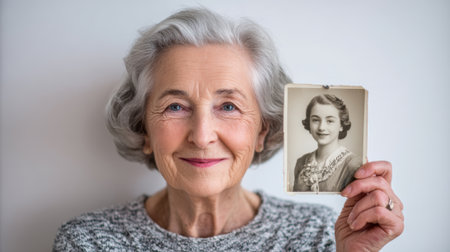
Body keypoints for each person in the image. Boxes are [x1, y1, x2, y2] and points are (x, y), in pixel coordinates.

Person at [53, 8, 403, 251]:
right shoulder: (90, 242)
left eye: (229, 107)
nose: (202, 136)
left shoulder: (322, 234)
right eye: (176, 106)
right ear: (143, 128)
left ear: (263, 131)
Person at [293, 94, 361, 193]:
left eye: (329, 121)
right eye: (315, 120)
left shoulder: (353, 164)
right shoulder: (301, 162)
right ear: (309, 122)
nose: (321, 127)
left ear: (341, 125)